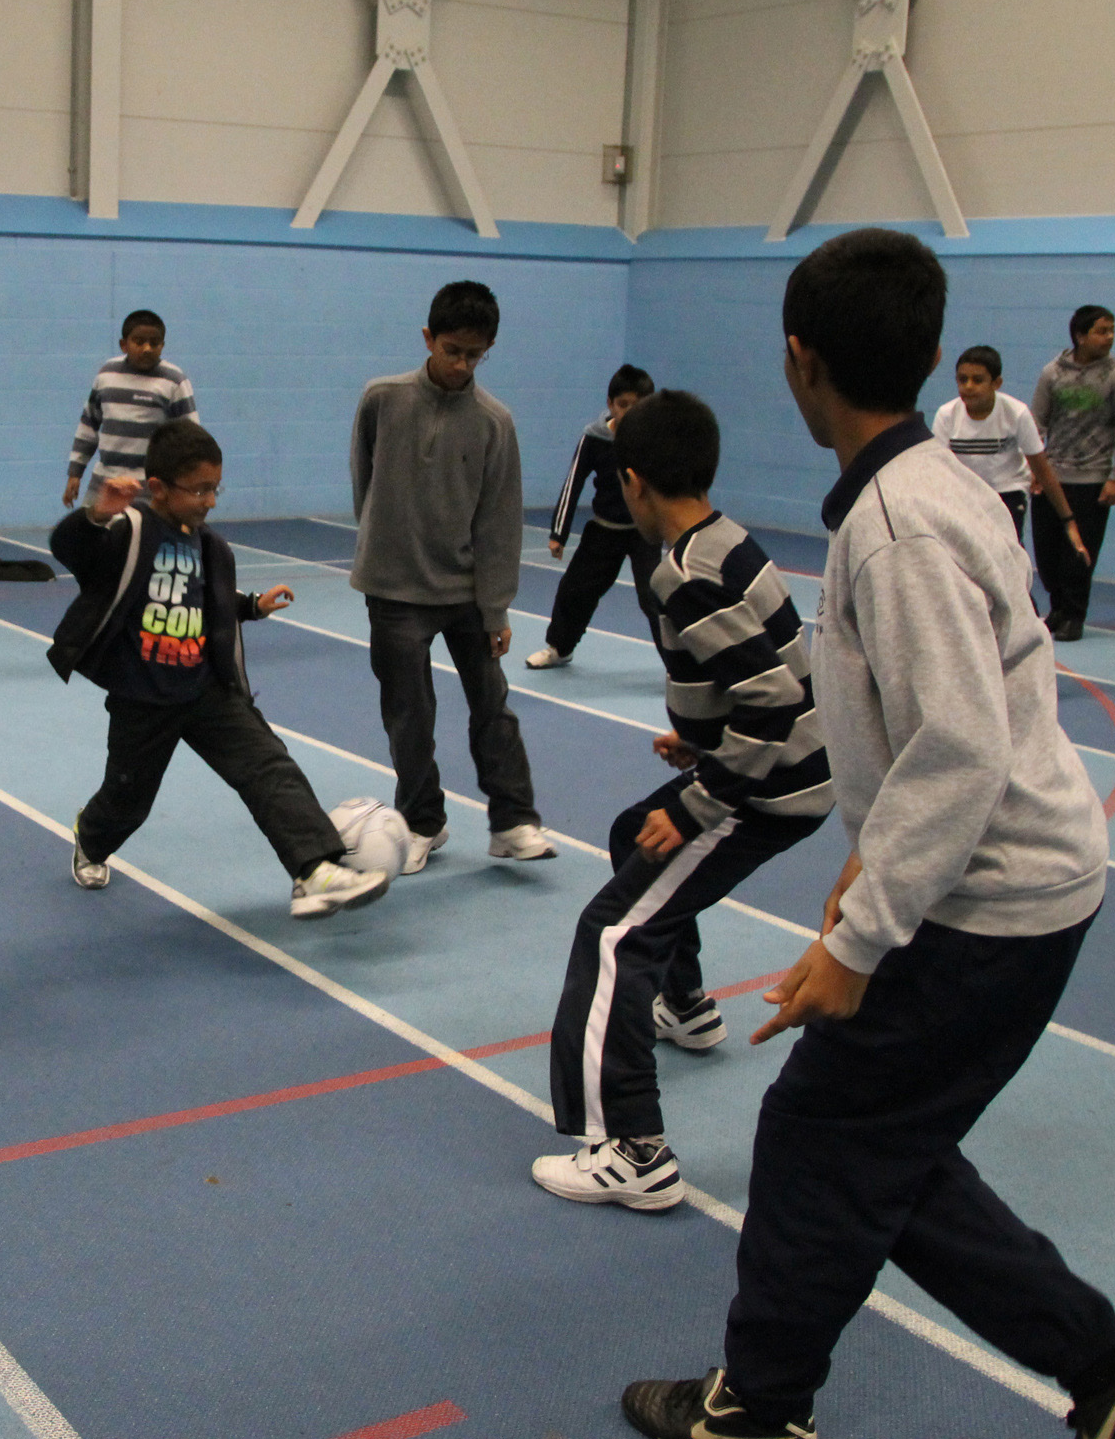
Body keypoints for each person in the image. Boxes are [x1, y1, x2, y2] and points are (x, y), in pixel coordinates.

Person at [620, 229, 1115, 1439]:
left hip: (990, 902)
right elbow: (939, 723)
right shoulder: (931, 486)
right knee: (882, 1144)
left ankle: (759, 1409)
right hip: (1001, 886)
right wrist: (866, 866)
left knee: (820, 1134)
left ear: (798, 361)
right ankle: (1113, 1380)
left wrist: (864, 933)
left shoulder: (898, 527)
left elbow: (960, 743)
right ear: (936, 355)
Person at [533, 391, 833, 1213]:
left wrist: (704, 796)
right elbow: (764, 673)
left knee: (612, 932)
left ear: (631, 481)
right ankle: (688, 1006)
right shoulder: (727, 540)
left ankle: (633, 1149)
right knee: (637, 833)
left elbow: (769, 702)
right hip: (783, 768)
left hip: (767, 788)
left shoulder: (686, 572)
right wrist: (702, 746)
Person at [50, 419, 389, 919]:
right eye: (200, 489)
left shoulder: (210, 546)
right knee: (128, 801)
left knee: (269, 767)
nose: (210, 500)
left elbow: (207, 600)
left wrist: (251, 605)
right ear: (160, 489)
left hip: (206, 689)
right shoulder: (131, 531)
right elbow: (74, 552)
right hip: (143, 697)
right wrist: (96, 515)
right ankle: (91, 838)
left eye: (216, 488)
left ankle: (315, 871)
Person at [350, 280, 552, 873]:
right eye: (452, 350)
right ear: (428, 339)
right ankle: (422, 821)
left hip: (466, 593)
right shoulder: (381, 399)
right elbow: (365, 479)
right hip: (394, 592)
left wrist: (497, 607)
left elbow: (499, 519)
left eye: (475, 355)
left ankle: (513, 819)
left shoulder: (494, 421)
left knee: (493, 705)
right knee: (409, 713)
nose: (462, 364)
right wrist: (383, 549)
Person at [525, 363, 656, 669]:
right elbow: (574, 482)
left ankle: (680, 666)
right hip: (605, 529)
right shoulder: (594, 438)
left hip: (644, 532)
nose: (630, 412)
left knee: (655, 596)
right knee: (575, 589)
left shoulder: (656, 440)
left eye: (638, 406)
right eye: (623, 405)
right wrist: (558, 533)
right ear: (610, 405)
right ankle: (560, 648)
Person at [1028, 306, 1115, 641]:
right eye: (1101, 330)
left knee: (1079, 553)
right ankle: (1058, 609)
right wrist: (1035, 468)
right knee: (1047, 554)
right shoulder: (1052, 372)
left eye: (1112, 330)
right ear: (1080, 335)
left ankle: (1074, 615)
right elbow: (1036, 422)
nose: (1108, 337)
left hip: (1092, 481)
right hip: (1052, 479)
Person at [931, 345, 1087, 560]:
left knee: (1005, 559)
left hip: (1007, 494)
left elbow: (1042, 469)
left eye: (977, 380)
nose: (968, 386)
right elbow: (937, 469)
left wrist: (1068, 520)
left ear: (996, 383)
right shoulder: (946, 415)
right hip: (963, 497)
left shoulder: (1016, 413)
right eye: (962, 379)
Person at [62, 309, 197, 506]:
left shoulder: (174, 381)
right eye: (139, 341)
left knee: (138, 536)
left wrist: (184, 485)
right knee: (88, 534)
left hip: (149, 487)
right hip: (104, 482)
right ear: (124, 344)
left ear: (162, 346)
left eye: (154, 343)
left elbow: (190, 438)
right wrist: (75, 472)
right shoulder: (106, 375)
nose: (147, 348)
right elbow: (88, 426)